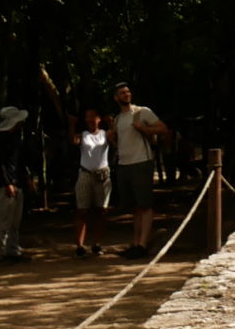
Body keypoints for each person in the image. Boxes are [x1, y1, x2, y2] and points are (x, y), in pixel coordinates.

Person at [111, 82, 167, 259]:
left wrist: (144, 128)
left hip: (141, 161)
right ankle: (136, 243)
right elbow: (118, 142)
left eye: (128, 92)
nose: (126, 94)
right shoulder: (118, 119)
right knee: (135, 206)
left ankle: (142, 244)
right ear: (116, 97)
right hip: (124, 164)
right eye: (122, 93)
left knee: (145, 204)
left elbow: (163, 128)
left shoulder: (142, 112)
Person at [0, 105, 32, 263]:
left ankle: (12, 251)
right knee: (4, 220)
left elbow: (19, 162)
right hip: (4, 186)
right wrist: (7, 183)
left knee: (14, 222)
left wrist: (25, 179)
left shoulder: (15, 138)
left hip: (16, 184)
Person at [71, 105, 112, 258]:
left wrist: (112, 123)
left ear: (99, 119)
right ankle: (80, 246)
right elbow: (74, 141)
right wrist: (72, 124)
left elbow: (115, 140)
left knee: (101, 210)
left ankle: (97, 243)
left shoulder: (105, 134)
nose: (91, 119)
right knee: (82, 210)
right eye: (88, 117)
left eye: (93, 116)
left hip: (102, 175)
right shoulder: (82, 135)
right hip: (85, 174)